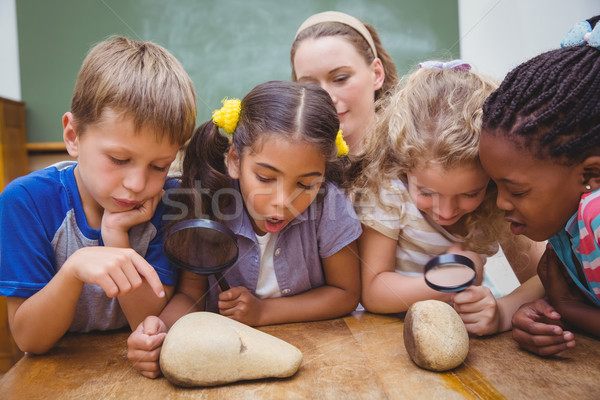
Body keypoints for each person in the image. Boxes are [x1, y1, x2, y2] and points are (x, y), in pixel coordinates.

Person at [127, 80, 362, 378]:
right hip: (223, 359)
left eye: (305, 184)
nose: (283, 201)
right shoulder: (209, 201)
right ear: (235, 160)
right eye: (265, 178)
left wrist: (263, 312)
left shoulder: (330, 206)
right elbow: (190, 296)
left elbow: (345, 293)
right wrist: (162, 330)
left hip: (321, 358)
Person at [0, 36, 197, 354]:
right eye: (119, 160)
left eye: (159, 166)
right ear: (72, 136)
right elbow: (29, 340)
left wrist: (115, 234)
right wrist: (74, 269)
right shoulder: (25, 201)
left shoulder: (171, 201)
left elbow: (147, 323)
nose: (136, 184)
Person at [353, 60, 545, 336]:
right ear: (404, 167)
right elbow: (373, 291)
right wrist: (449, 280)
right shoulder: (389, 192)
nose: (445, 211)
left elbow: (549, 276)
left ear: (491, 180)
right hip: (391, 337)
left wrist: (502, 309)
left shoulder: (498, 200)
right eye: (427, 192)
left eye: (470, 193)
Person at [479, 15, 600, 356]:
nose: (501, 203)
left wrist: (569, 308)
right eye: (495, 187)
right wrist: (544, 314)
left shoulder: (595, 211)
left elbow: (575, 304)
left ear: (591, 176)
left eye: (516, 191)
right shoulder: (568, 222)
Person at [291, 11, 398, 155]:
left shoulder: (415, 158)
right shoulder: (287, 160)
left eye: (341, 78)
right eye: (310, 85)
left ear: (377, 74)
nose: (327, 99)